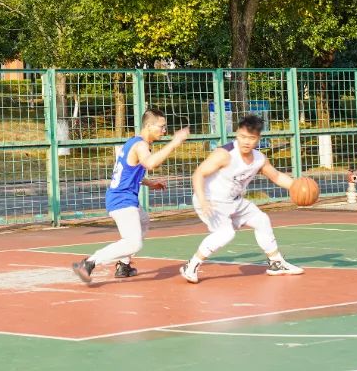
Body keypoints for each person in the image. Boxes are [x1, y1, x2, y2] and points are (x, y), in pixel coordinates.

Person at [179, 114, 303, 283]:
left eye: (251, 138)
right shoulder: (225, 154)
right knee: (225, 233)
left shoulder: (259, 159)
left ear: (258, 139)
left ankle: (276, 263)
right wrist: (202, 200)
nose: (246, 142)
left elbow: (276, 176)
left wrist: (298, 187)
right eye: (243, 136)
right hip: (211, 200)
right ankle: (191, 265)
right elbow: (198, 174)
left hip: (234, 201)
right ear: (237, 133)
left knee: (261, 220)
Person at [72, 109, 190, 283]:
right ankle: (88, 263)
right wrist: (174, 142)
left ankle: (124, 265)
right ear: (148, 126)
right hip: (122, 200)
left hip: (123, 197)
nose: (164, 131)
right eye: (162, 127)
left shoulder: (134, 142)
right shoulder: (140, 146)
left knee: (144, 221)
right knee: (134, 243)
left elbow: (128, 173)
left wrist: (150, 183)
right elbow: (150, 163)